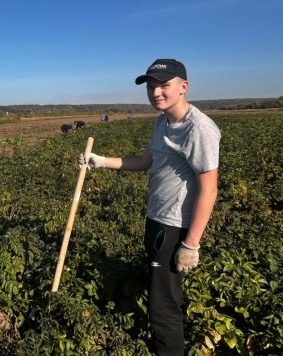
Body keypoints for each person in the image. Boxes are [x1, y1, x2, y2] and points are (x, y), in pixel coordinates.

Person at [80, 59, 220, 356]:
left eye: (164, 85)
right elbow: (145, 162)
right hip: (156, 219)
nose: (156, 92)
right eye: (152, 86)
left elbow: (209, 188)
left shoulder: (199, 129)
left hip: (174, 228)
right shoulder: (161, 122)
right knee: (166, 291)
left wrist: (191, 244)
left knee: (162, 306)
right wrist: (103, 161)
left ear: (183, 87)